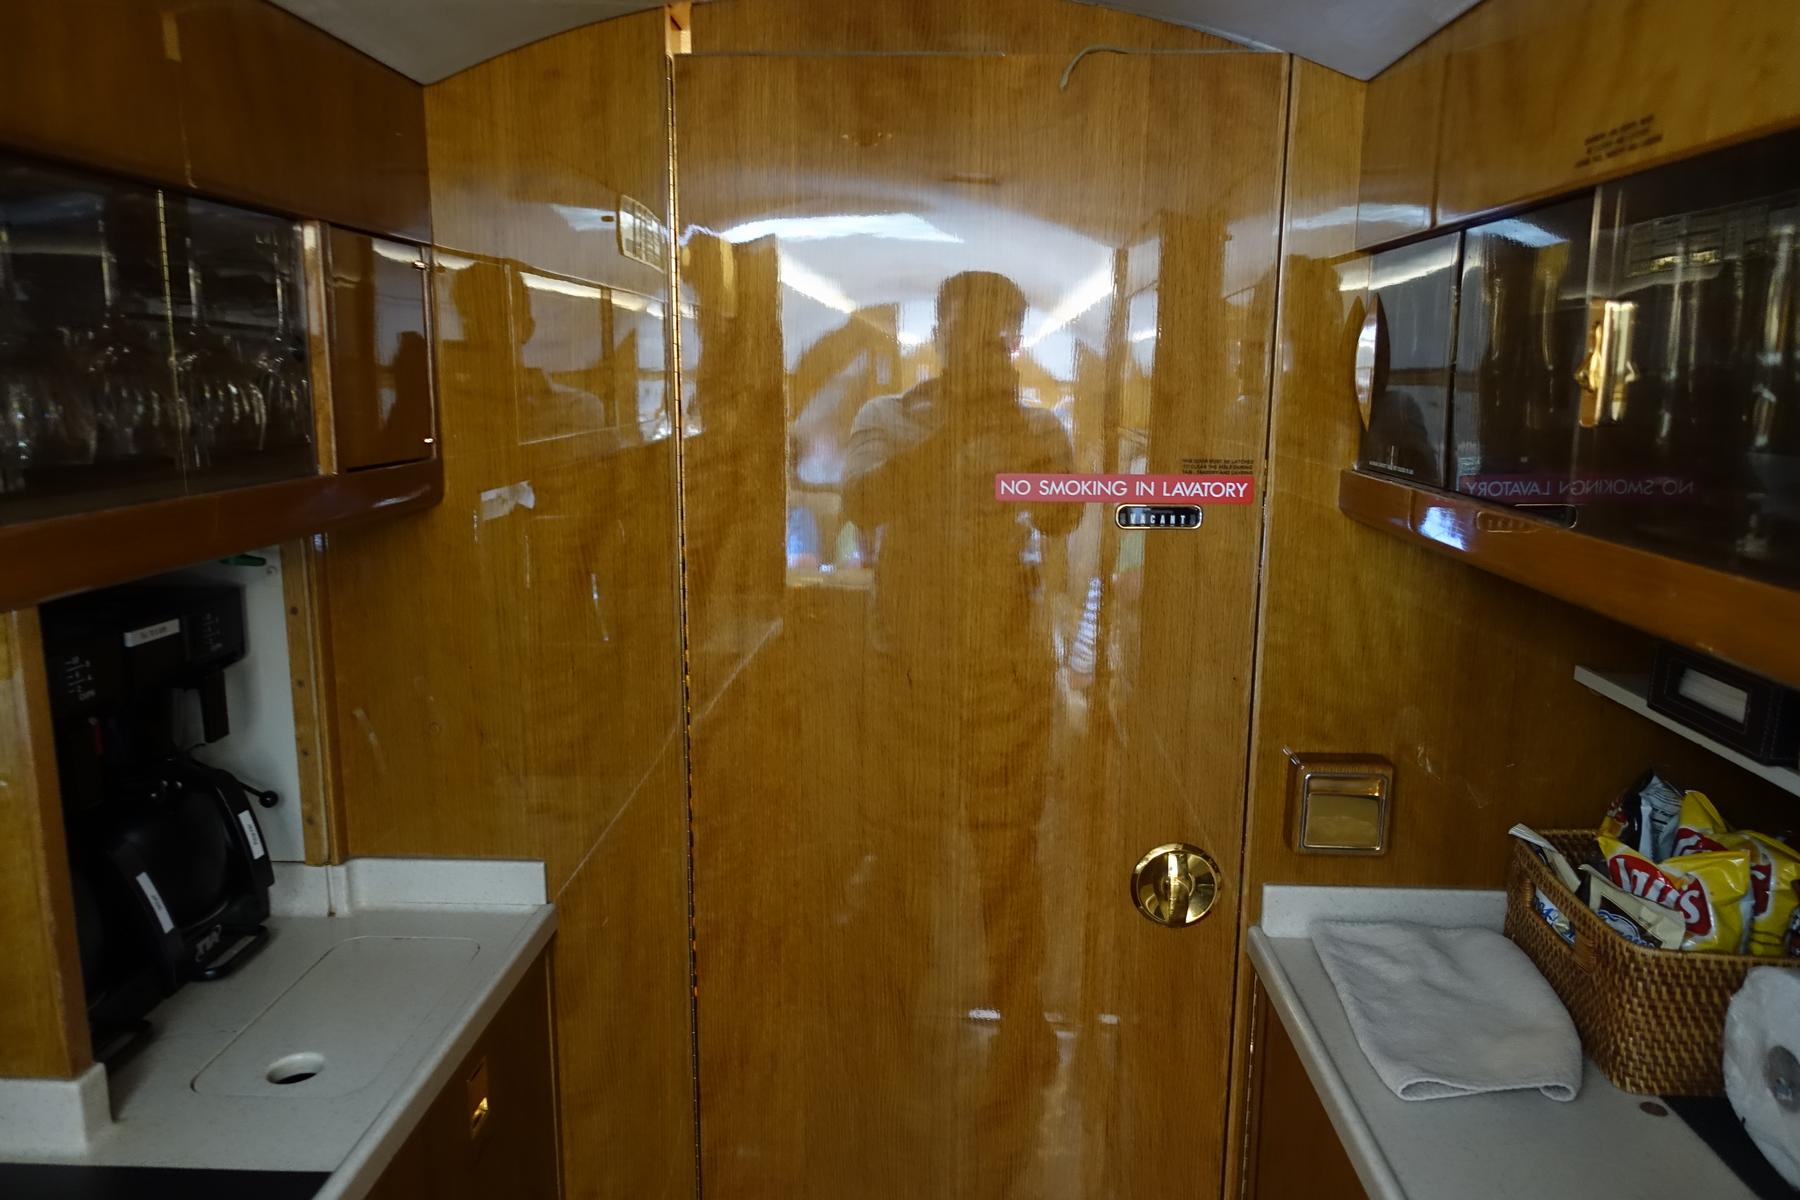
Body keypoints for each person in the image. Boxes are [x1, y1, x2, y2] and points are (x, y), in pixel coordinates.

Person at [841, 271, 1075, 1198]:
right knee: (902, 858)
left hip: (1007, 680)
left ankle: (1023, 1031)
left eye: (1002, 334)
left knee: (1008, 861)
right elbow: (864, 502)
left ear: (1014, 341)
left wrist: (1020, 441)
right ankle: (898, 1038)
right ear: (936, 332)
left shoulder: (1039, 425)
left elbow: (1063, 516)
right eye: (968, 330)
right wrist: (958, 439)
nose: (985, 346)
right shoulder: (886, 417)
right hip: (909, 679)